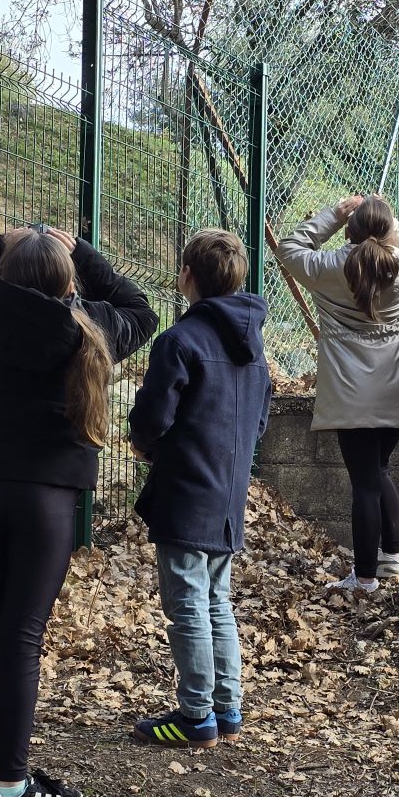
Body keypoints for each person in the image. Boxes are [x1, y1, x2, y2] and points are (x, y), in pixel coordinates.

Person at [0, 227, 158, 797]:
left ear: (1, 274)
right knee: (23, 634)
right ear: (68, 282)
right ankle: (13, 789)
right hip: (48, 495)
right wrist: (85, 256)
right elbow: (142, 311)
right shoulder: (89, 324)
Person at [129, 228, 271, 749]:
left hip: (185, 490)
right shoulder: (254, 346)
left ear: (186, 275)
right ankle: (226, 709)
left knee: (188, 602)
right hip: (229, 493)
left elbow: (153, 416)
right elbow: (260, 421)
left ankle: (195, 715)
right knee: (216, 599)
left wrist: (146, 445)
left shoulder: (179, 341)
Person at [276, 195, 399, 592]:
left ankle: (364, 578)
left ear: (350, 231)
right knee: (378, 470)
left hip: (349, 395)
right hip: (395, 392)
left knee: (365, 481)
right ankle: (392, 555)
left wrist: (334, 214)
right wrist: (389, 223)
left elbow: (289, 248)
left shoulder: (328, 268)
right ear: (388, 231)